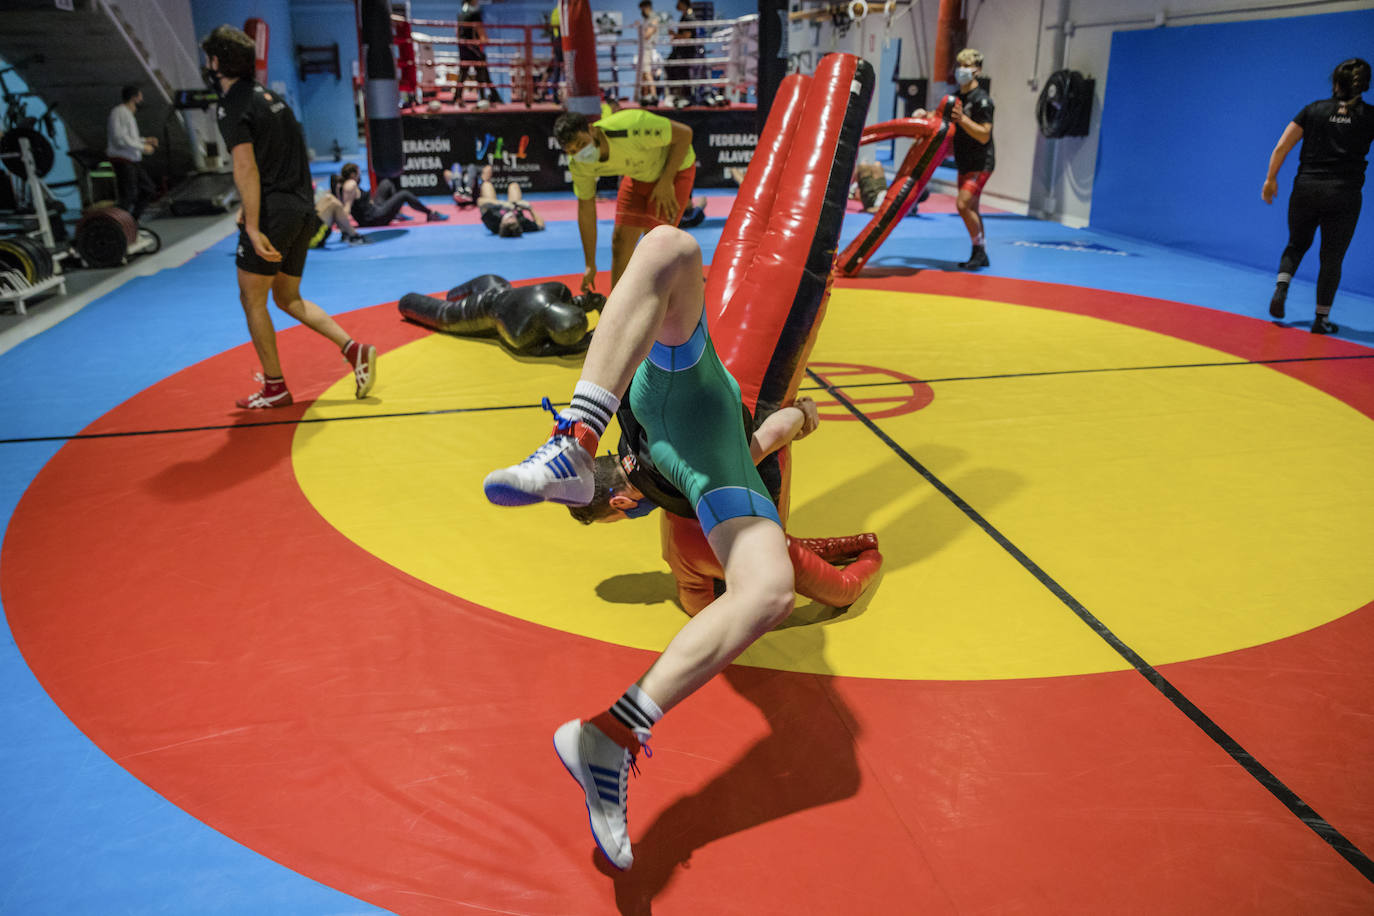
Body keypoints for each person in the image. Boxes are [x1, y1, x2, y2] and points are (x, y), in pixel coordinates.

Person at [483, 226, 817, 870]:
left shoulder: (663, 483)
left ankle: (573, 440)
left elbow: (758, 440)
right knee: (668, 245)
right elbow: (763, 436)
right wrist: (801, 417)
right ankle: (576, 436)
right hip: (704, 433)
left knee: (771, 591)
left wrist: (789, 423)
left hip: (698, 438)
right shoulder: (662, 479)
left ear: (621, 500)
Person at [200, 25, 377, 409]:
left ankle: (275, 386)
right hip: (301, 208)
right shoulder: (272, 98)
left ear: (217, 63)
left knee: (252, 299)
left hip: (273, 212)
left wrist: (250, 222)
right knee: (287, 296)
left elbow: (245, 168)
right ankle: (353, 350)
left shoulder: (232, 105)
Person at [1263, 58, 1373, 335]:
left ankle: (1281, 287)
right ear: (1365, 85)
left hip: (1307, 188)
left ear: (1335, 83)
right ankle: (1321, 320)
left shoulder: (1313, 110)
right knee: (1332, 257)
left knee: (1296, 244)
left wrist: (1270, 179)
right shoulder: (1370, 116)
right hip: (1344, 194)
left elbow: (1281, 147)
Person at [553, 108, 696, 292]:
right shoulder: (580, 165)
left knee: (656, 246)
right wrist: (590, 263)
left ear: (592, 130)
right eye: (572, 151)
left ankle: (659, 307)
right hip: (638, 175)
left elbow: (684, 134)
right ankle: (617, 311)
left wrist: (666, 180)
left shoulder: (632, 124)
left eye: (581, 144)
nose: (580, 153)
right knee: (620, 242)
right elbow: (586, 210)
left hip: (674, 170)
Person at [950, 48, 994, 269]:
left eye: (966, 66)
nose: (962, 70)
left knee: (963, 205)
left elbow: (984, 134)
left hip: (980, 162)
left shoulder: (982, 100)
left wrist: (963, 120)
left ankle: (979, 250)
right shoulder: (958, 97)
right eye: (960, 65)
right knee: (972, 208)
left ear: (977, 70)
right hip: (964, 161)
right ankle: (980, 253)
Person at [337, 162, 449, 226]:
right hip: (373, 219)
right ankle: (430, 213)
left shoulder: (346, 184)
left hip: (373, 210)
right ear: (352, 175)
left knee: (386, 183)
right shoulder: (351, 185)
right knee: (404, 194)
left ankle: (396, 213)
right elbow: (346, 208)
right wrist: (345, 229)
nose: (360, 175)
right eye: (358, 172)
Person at [105, 85, 158, 220]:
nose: (142, 99)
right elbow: (119, 139)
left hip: (132, 160)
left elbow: (129, 137)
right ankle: (116, 222)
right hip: (123, 160)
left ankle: (132, 221)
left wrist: (145, 140)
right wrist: (142, 147)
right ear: (134, 97)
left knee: (148, 189)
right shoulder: (118, 112)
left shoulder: (128, 114)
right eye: (140, 96)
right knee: (129, 195)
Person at [474, 163, 545, 236]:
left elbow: (480, 201)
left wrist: (502, 203)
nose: (510, 217)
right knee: (514, 186)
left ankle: (483, 180)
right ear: (518, 223)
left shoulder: (493, 223)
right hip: (514, 205)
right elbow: (541, 225)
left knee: (487, 185)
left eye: (508, 220)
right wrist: (530, 209)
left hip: (495, 206)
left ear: (501, 224)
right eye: (513, 220)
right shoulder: (522, 223)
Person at [457, 0, 502, 106]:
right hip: (473, 48)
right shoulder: (475, 14)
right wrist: (485, 40)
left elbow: (458, 32)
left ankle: (457, 97)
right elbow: (480, 31)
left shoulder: (461, 14)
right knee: (481, 72)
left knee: (464, 73)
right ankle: (484, 98)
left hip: (464, 48)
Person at [664, 0, 701, 108]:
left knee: (683, 72)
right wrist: (675, 36)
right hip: (680, 50)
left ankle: (685, 96)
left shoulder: (689, 17)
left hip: (686, 51)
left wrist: (674, 35)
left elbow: (687, 35)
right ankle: (678, 94)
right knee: (673, 68)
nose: (677, 5)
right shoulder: (685, 16)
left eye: (679, 2)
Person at [636, 0, 665, 106]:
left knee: (647, 73)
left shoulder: (653, 18)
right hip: (645, 48)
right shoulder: (647, 19)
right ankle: (645, 96)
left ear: (647, 7)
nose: (641, 11)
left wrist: (640, 29)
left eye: (642, 9)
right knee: (644, 74)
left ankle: (653, 95)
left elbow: (647, 34)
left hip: (648, 48)